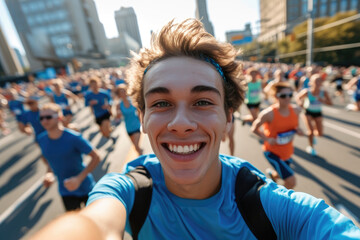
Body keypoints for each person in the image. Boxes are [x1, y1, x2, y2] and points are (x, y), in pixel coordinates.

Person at [31, 19, 360, 240]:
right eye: (161, 104)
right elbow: (94, 224)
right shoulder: (126, 192)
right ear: (142, 118)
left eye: (203, 102)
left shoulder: (268, 206)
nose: (182, 123)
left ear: (229, 117)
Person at [37, 102, 100, 211]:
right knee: (75, 225)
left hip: (85, 187)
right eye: (41, 118)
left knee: (95, 223)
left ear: (60, 117)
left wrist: (79, 179)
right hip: (65, 191)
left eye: (48, 117)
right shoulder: (41, 139)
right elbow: (48, 158)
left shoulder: (73, 138)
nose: (44, 121)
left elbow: (96, 156)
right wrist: (49, 173)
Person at [251, 82, 304, 189]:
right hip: (272, 151)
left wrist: (298, 131)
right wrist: (266, 138)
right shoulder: (268, 113)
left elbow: (295, 127)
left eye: (290, 95)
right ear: (276, 97)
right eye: (283, 96)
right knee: (291, 182)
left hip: (287, 151)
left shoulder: (296, 110)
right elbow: (254, 128)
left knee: (280, 174)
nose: (287, 98)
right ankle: (278, 201)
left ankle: (272, 175)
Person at [296, 74, 332, 156]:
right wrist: (300, 103)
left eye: (319, 81)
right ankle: (311, 147)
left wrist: (323, 100)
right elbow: (298, 97)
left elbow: (330, 103)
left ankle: (313, 137)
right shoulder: (307, 91)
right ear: (311, 82)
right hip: (307, 111)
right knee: (311, 131)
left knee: (320, 133)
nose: (318, 83)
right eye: (316, 81)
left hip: (317, 112)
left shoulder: (324, 92)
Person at [114, 84, 143, 155]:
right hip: (128, 128)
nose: (123, 93)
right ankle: (141, 152)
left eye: (124, 91)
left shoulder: (132, 101)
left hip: (136, 125)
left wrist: (141, 122)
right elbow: (117, 118)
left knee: (136, 146)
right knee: (136, 146)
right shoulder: (118, 105)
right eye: (121, 92)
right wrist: (118, 114)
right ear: (119, 94)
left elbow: (139, 111)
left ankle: (142, 159)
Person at [85, 76, 115, 142]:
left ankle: (110, 134)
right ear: (90, 86)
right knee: (103, 133)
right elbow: (86, 104)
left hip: (105, 113)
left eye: (95, 84)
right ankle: (110, 134)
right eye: (92, 85)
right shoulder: (88, 95)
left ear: (98, 84)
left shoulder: (104, 93)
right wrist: (90, 103)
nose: (94, 86)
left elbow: (110, 100)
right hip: (97, 115)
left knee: (105, 128)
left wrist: (108, 105)